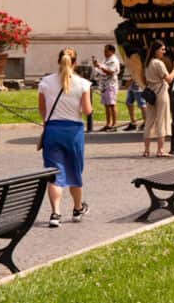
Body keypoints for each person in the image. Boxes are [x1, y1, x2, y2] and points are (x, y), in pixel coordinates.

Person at [39, 48, 93, 227]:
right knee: (74, 170)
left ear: (58, 61)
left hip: (53, 130)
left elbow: (42, 109)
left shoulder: (46, 82)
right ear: (75, 63)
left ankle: (55, 213)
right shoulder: (83, 84)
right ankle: (77, 208)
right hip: (74, 131)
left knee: (54, 174)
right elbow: (87, 110)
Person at [142, 40, 174, 157]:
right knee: (162, 120)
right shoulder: (158, 63)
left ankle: (146, 150)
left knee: (149, 121)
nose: (164, 52)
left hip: (151, 94)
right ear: (156, 50)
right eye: (162, 49)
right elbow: (169, 79)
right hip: (161, 92)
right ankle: (160, 150)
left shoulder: (147, 63)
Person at [92, 44, 120, 132]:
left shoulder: (114, 60)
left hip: (110, 85)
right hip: (104, 85)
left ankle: (114, 124)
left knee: (112, 105)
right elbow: (101, 70)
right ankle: (108, 124)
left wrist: (100, 66)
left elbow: (111, 72)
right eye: (104, 51)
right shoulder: (106, 60)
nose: (105, 53)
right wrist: (97, 66)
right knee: (106, 105)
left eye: (106, 51)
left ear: (112, 51)